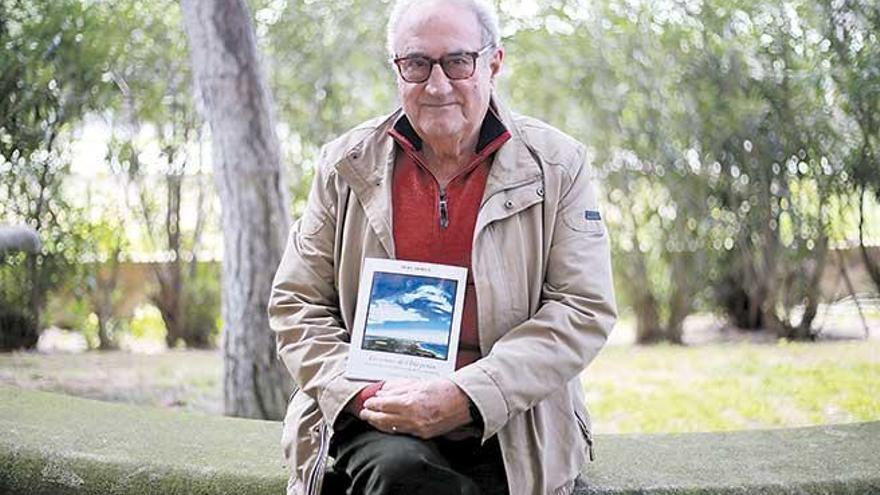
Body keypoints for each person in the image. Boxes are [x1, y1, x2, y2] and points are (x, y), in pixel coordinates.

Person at [268, 0, 617, 493]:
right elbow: (296, 304)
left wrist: (468, 394)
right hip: (376, 412)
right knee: (402, 476)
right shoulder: (345, 165)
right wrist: (369, 393)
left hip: (512, 417)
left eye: (457, 62)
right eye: (416, 64)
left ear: (494, 62)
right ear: (396, 68)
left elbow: (582, 307)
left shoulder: (558, 166)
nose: (437, 85)